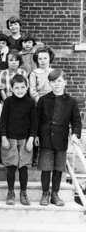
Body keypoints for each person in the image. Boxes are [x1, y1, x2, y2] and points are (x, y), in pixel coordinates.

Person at [36, 69, 82, 206]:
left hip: (61, 139)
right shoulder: (43, 100)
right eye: (54, 82)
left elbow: (76, 121)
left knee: (58, 168)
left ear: (65, 83)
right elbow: (36, 119)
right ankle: (45, 193)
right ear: (50, 83)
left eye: (60, 81)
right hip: (45, 138)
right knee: (46, 167)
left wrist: (75, 134)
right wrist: (36, 135)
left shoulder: (71, 101)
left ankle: (55, 194)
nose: (57, 84)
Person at [0, 74, 37, 205]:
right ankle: (10, 192)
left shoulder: (31, 102)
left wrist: (31, 139)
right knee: (11, 166)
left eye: (22, 87)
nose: (20, 90)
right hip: (10, 139)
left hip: (25, 139)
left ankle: (23, 192)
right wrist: (3, 137)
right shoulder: (8, 102)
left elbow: (34, 123)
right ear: (12, 89)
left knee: (23, 167)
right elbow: (3, 121)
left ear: (27, 87)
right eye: (16, 87)